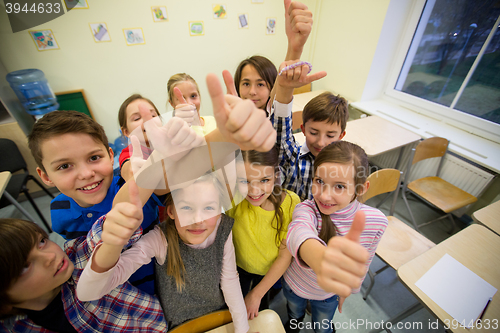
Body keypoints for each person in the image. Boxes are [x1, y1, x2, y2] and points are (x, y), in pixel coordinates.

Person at [76, 172, 252, 333]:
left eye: (209, 208)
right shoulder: (160, 239)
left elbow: (229, 280)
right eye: (186, 208)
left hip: (220, 316)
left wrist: (242, 329)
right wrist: (111, 244)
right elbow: (87, 292)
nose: (198, 220)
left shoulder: (223, 228)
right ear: (171, 211)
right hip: (180, 326)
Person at [27, 110, 162, 295]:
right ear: (45, 176)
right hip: (112, 298)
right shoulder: (59, 210)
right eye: (64, 166)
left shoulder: (131, 187)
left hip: (163, 284)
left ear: (110, 155)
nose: (86, 174)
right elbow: (82, 257)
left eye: (94, 158)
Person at [283, 141, 388, 333]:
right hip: (294, 285)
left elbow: (364, 260)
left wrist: (348, 289)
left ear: (361, 189)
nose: (324, 196)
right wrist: (321, 259)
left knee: (322, 327)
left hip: (328, 294)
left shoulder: (375, 221)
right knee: (293, 316)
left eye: (339, 186)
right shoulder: (306, 208)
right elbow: (299, 231)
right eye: (319, 181)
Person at [0, 218, 167, 333]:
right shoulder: (17, 327)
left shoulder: (78, 256)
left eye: (42, 241)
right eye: (24, 267)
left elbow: (103, 234)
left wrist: (117, 220)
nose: (50, 256)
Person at [226, 147, 300, 319]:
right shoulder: (232, 198)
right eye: (244, 181)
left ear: (276, 175)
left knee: (260, 307)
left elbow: (284, 257)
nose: (254, 191)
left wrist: (257, 294)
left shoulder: (291, 203)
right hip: (237, 270)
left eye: (264, 180)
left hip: (269, 273)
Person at [272, 59, 345, 201]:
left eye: (330, 135)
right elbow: (281, 127)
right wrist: (285, 90)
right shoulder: (293, 156)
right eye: (313, 133)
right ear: (303, 130)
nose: (321, 142)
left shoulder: (344, 167)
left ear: (341, 135)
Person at [228, 0, 315, 118]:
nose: (252, 91)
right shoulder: (232, 116)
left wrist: (295, 48)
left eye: (260, 84)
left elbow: (280, 91)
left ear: (272, 87)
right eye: (246, 83)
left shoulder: (273, 117)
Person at [117, 94, 162, 181]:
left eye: (152, 115)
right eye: (137, 118)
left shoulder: (172, 142)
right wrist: (130, 170)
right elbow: (128, 169)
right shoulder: (128, 154)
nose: (148, 119)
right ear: (126, 132)